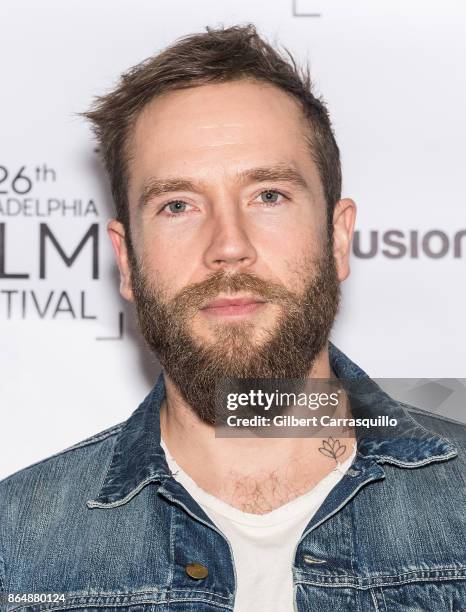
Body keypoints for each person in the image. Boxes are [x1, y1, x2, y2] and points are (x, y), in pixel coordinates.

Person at [1, 24, 465, 612]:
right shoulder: (15, 555)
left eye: (268, 195)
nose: (228, 245)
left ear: (338, 238)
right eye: (177, 205)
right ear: (127, 260)